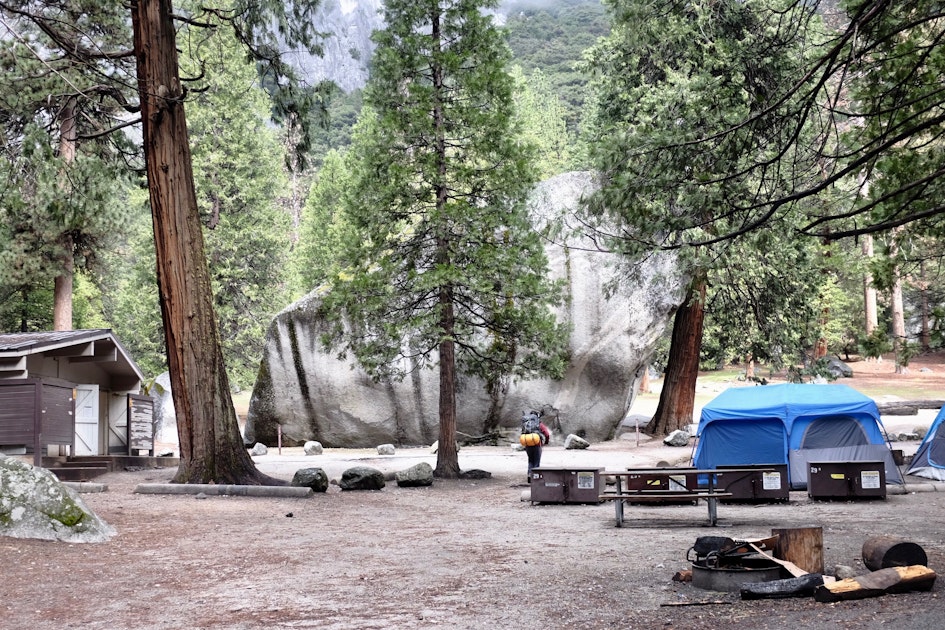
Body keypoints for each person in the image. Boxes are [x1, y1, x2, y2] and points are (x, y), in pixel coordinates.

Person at [520, 410, 551, 483]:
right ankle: (535, 477)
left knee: (530, 460)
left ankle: (529, 475)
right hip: (537, 444)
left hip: (528, 444)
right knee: (536, 461)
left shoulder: (526, 423)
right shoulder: (538, 423)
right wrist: (546, 442)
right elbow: (547, 434)